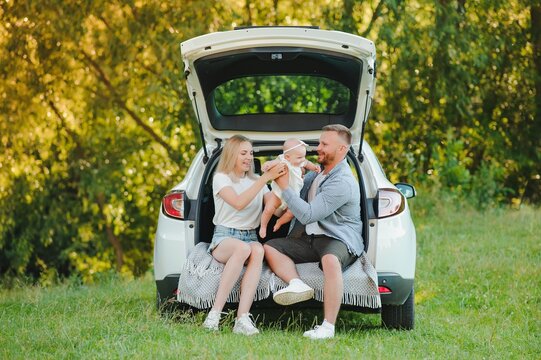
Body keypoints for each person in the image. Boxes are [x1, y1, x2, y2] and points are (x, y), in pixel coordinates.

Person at [263, 124, 363, 340]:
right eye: (319, 142)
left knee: (330, 260)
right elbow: (294, 190)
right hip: (310, 237)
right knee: (270, 247)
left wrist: (285, 188)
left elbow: (307, 214)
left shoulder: (343, 182)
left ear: (342, 149)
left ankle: (328, 326)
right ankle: (296, 283)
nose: (318, 148)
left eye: (324, 144)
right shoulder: (317, 175)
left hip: (338, 236)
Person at [202, 135, 286, 336]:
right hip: (224, 237)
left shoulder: (257, 180)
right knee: (243, 248)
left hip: (250, 237)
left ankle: (242, 318)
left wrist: (286, 180)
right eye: (244, 153)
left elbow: (277, 211)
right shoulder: (221, 178)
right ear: (232, 154)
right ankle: (214, 313)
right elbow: (238, 202)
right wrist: (265, 179)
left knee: (257, 249)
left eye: (251, 153)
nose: (249, 157)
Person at [259, 138, 320, 238]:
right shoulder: (282, 159)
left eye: (304, 156)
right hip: (278, 194)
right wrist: (267, 165)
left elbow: (308, 163)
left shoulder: (301, 162)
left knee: (291, 213)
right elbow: (272, 163)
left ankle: (279, 222)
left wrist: (314, 167)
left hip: (293, 197)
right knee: (268, 209)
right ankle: (263, 226)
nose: (302, 159)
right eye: (299, 157)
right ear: (287, 157)